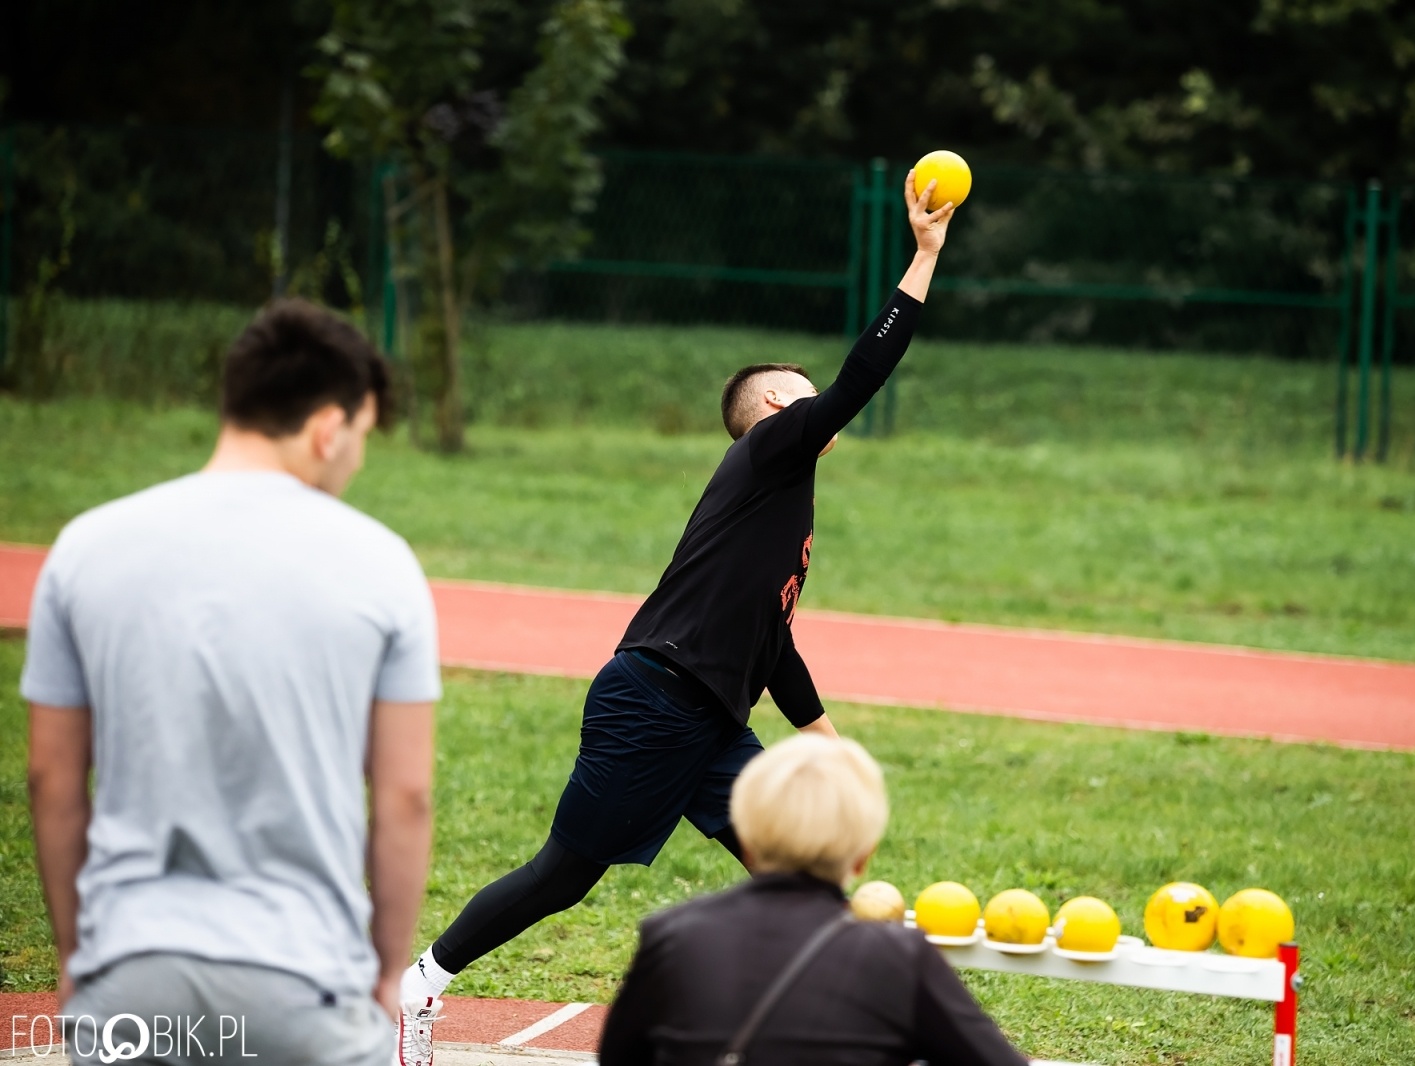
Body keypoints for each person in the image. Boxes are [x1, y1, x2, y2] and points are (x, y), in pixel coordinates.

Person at [396, 172, 956, 1064]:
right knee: (564, 876)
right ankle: (422, 982)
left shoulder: (784, 501)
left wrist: (826, 738)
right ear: (774, 410)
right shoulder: (768, 451)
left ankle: (860, 1030)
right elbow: (862, 377)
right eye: (802, 392)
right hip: (654, 701)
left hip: (707, 720)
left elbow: (770, 640)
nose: (819, 403)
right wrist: (923, 258)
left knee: (799, 870)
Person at [23, 300, 439, 1066]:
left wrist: (79, 954)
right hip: (306, 979)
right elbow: (404, 797)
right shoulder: (381, 565)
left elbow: (52, 779)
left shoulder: (85, 549)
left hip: (130, 975)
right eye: (363, 438)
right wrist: (385, 973)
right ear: (326, 428)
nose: (356, 461)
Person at [597, 734, 1029, 1065]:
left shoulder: (672, 935)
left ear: (746, 840)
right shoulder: (899, 957)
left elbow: (619, 1057)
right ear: (863, 857)